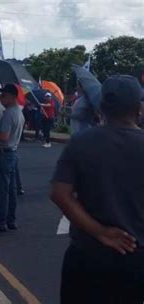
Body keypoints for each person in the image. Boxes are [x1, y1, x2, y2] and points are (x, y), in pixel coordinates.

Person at [50, 75, 144, 303]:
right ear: (139, 108)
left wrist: (100, 232)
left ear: (102, 107)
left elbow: (59, 193)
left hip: (87, 255)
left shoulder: (81, 142)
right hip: (135, 258)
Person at [0, 84, 25, 233]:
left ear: (13, 96)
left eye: (4, 95)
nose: (1, 98)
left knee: (1, 190)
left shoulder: (9, 113)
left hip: (3, 152)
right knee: (11, 189)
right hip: (12, 153)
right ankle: (10, 219)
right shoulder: (18, 112)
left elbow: (3, 137)